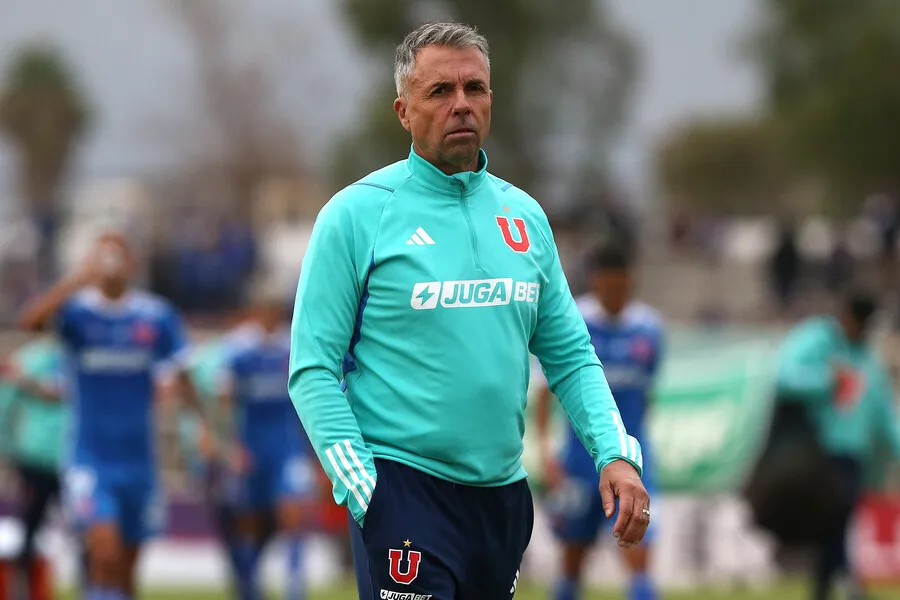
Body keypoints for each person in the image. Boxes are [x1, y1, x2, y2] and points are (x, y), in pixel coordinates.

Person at [289, 21, 650, 600]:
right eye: (440, 91)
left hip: (501, 499)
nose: (461, 104)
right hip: (403, 490)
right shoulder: (354, 216)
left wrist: (616, 454)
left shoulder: (524, 216)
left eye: (474, 88)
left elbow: (571, 356)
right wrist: (363, 489)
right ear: (404, 112)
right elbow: (312, 369)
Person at [18, 232, 210, 600]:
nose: (110, 263)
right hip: (89, 457)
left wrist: (201, 427)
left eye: (117, 255)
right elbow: (30, 323)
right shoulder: (77, 313)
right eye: (101, 256)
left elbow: (182, 374)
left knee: (126, 567)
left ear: (131, 264)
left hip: (139, 459)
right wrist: (77, 279)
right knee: (104, 550)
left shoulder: (156, 316)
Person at [535, 243, 664, 600]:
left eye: (622, 287)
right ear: (595, 281)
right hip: (579, 461)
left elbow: (647, 395)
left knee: (640, 557)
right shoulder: (575, 321)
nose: (615, 295)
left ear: (632, 282)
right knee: (572, 560)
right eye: (609, 287)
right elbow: (544, 393)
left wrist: (642, 446)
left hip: (633, 460)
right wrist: (547, 452)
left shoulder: (650, 329)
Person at [774, 289, 900, 600]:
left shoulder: (867, 358)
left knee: (839, 520)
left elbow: (885, 412)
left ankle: (829, 585)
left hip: (853, 454)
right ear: (846, 318)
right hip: (816, 452)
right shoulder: (818, 340)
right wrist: (827, 380)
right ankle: (844, 579)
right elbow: (784, 376)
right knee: (834, 515)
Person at [218, 290, 316, 600]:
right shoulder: (238, 351)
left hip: (287, 449)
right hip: (251, 449)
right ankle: (249, 585)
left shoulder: (291, 347)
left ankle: (294, 588)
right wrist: (231, 446)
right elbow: (225, 402)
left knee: (293, 513)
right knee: (249, 522)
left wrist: (312, 451)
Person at [1, 335, 66, 597]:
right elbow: (5, 402)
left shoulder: (81, 356)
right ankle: (23, 591)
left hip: (75, 458)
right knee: (30, 528)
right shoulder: (31, 359)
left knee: (87, 531)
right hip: (37, 457)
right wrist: (7, 446)